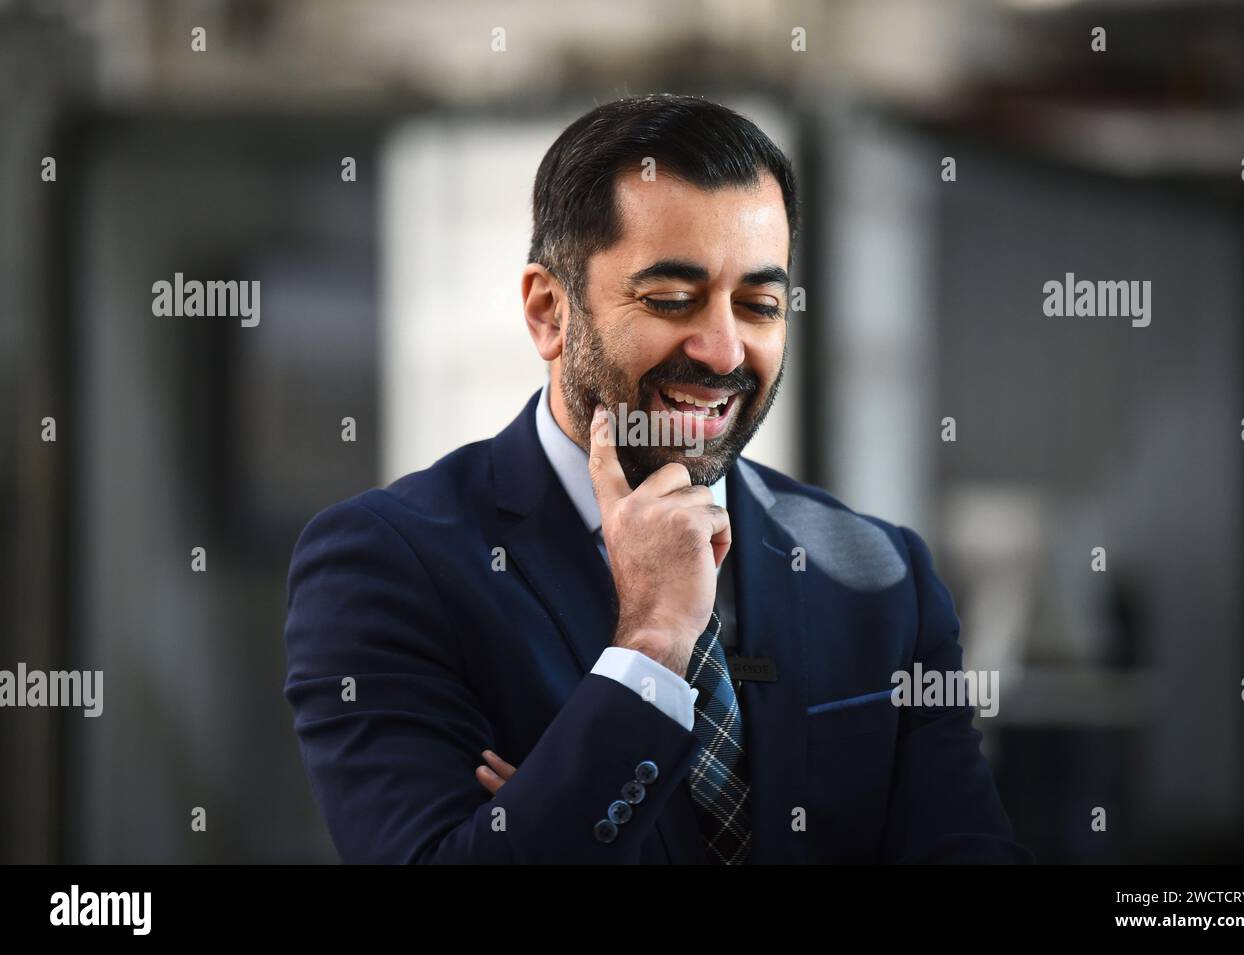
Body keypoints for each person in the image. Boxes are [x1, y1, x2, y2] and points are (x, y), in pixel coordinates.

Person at [283, 94, 1031, 864]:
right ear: (549, 312)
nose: (722, 349)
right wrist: (648, 647)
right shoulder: (381, 567)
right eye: (672, 299)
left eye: (760, 304)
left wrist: (552, 801)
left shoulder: (880, 576)